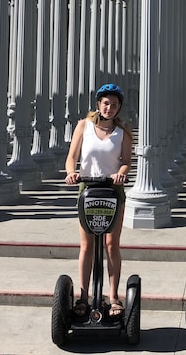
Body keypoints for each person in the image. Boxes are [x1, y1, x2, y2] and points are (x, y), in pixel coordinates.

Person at [64, 83, 132, 319]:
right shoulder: (84, 126)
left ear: (119, 107)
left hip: (113, 190)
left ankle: (113, 296)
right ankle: (84, 297)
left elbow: (126, 161)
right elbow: (72, 157)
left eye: (114, 105)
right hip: (88, 188)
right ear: (98, 104)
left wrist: (121, 172)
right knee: (88, 244)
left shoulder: (123, 132)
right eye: (106, 103)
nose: (109, 108)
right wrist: (71, 172)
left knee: (112, 244)